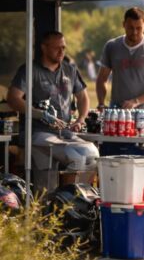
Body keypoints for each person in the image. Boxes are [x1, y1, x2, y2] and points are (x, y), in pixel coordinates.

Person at [6, 31, 99, 184]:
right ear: (44, 47)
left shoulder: (70, 70)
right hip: (38, 133)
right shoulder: (30, 70)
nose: (62, 52)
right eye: (57, 48)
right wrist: (39, 114)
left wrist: (81, 119)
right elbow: (13, 98)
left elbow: (83, 97)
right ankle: (63, 200)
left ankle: (72, 200)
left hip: (64, 132)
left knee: (93, 154)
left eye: (64, 48)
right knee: (77, 156)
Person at [96, 7, 144, 110]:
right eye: (130, 27)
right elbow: (102, 79)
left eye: (139, 28)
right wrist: (101, 103)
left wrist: (136, 101)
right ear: (123, 24)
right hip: (117, 110)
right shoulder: (112, 46)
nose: (134, 32)